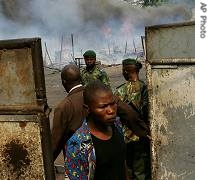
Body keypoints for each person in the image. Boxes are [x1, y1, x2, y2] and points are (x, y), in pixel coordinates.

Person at [51, 64, 149, 161]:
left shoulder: (63, 107)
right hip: (108, 150)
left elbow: (55, 142)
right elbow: (128, 113)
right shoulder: (99, 96)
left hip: (81, 158)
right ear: (81, 78)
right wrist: (145, 133)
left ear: (64, 82)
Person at [64, 80, 129, 180]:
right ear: (87, 109)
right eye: (103, 107)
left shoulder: (117, 125)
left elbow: (121, 162)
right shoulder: (78, 145)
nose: (111, 111)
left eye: (113, 104)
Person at [114, 58, 151, 180]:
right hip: (142, 136)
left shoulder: (120, 91)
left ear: (125, 71)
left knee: (128, 172)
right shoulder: (146, 89)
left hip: (125, 138)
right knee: (141, 173)